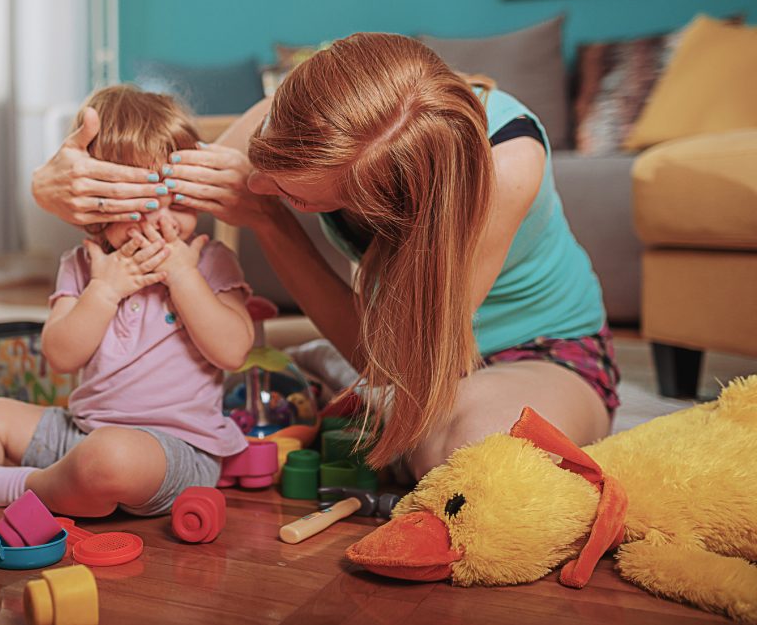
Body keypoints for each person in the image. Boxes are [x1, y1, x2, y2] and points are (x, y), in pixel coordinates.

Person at [32, 33, 618, 479]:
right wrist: (49, 187)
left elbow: (391, 361)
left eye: (295, 196)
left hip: (532, 352)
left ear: (387, 199)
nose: (256, 184)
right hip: (393, 347)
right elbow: (152, 185)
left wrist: (268, 222)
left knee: (473, 457)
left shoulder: (502, 171)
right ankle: (335, 384)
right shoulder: (311, 108)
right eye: (265, 162)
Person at [0, 85, 252, 521]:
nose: (162, 220)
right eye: (140, 202)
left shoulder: (208, 261)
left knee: (108, 457)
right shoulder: (83, 264)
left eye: (178, 201)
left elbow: (232, 350)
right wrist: (105, 290)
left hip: (174, 452)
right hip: (80, 432)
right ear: (98, 203)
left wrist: (184, 277)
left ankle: (15, 486)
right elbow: (60, 355)